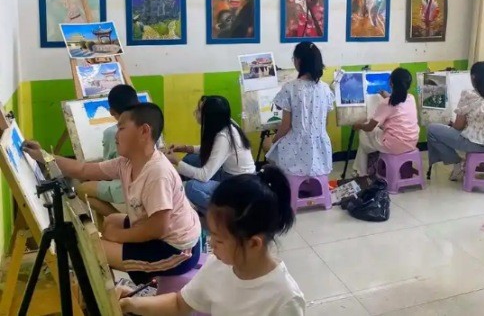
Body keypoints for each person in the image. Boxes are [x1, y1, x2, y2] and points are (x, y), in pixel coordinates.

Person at [23, 103, 201, 283]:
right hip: (166, 229)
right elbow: (82, 170)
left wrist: (118, 236)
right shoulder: (126, 162)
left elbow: (158, 228)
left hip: (177, 251)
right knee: (110, 221)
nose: (116, 135)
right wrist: (43, 156)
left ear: (144, 131)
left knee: (92, 250)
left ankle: (111, 289)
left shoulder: (157, 173)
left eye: (121, 128)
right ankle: (119, 262)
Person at [117, 165, 305, 316]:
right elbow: (179, 304)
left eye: (219, 240)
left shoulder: (285, 298)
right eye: (211, 235)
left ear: (254, 243)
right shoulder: (218, 265)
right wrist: (132, 304)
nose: (211, 245)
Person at [167, 96, 256, 213]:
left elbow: (204, 175)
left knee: (191, 187)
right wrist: (186, 148)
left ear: (210, 116)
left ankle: (228, 213)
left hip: (239, 185)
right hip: (229, 174)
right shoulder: (225, 123)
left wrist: (176, 161)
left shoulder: (225, 137)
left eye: (200, 110)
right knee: (190, 159)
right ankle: (172, 190)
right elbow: (215, 149)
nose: (196, 113)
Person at [427, 62, 484, 181]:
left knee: (432, 130)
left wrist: (452, 124)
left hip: (476, 145)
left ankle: (457, 163)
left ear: (473, 77)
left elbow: (458, 126)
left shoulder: (469, 95)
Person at [266, 42, 334, 177]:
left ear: (298, 61)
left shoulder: (290, 88)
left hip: (295, 150)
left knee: (268, 147)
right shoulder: (325, 89)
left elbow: (285, 127)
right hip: (321, 150)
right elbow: (325, 123)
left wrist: (274, 139)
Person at [76, 85, 139, 218]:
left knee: (82, 189)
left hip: (125, 186)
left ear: (111, 111)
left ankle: (123, 220)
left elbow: (107, 172)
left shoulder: (112, 132)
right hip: (146, 181)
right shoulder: (149, 124)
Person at [352, 68, 420, 177]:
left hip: (394, 145)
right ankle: (360, 169)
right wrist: (387, 96)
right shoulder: (411, 98)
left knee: (364, 133)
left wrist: (359, 126)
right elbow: (398, 103)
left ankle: (362, 172)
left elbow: (369, 127)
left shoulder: (386, 103)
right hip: (412, 142)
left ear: (391, 83)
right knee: (376, 132)